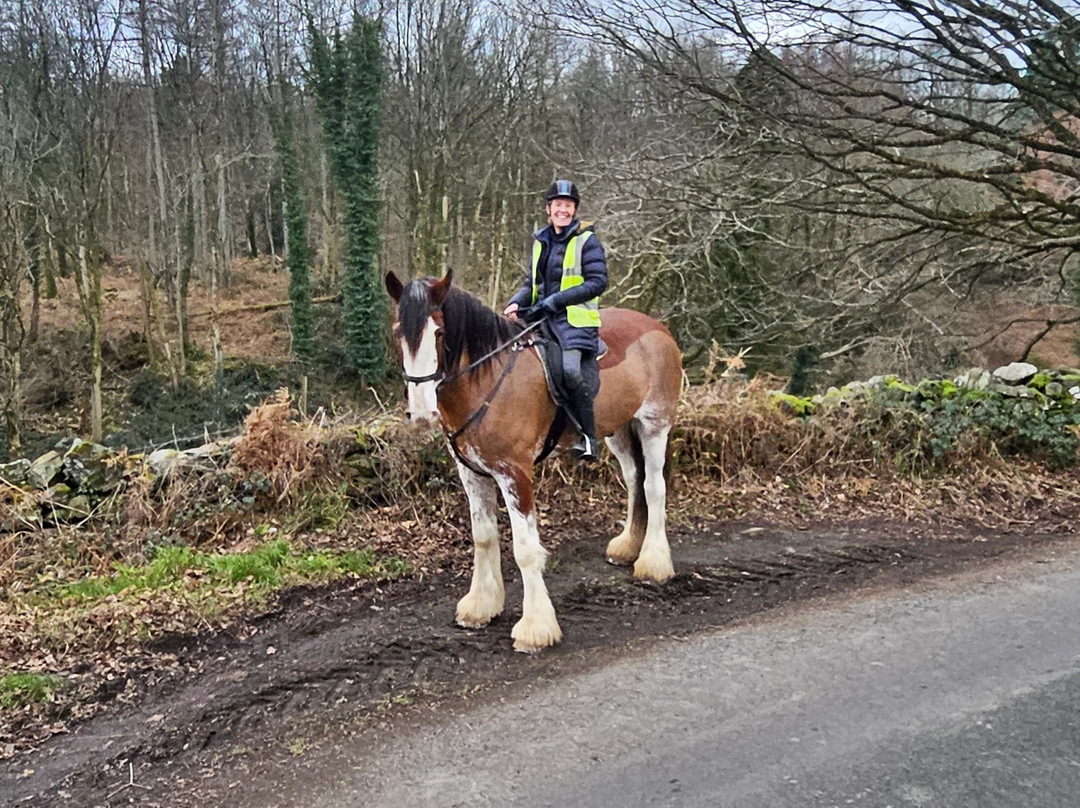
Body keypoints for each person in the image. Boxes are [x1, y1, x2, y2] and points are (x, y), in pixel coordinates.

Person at [505, 179, 608, 461]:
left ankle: (588, 438)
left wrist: (556, 301)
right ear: (549, 209)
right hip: (543, 318)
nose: (563, 210)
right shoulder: (541, 242)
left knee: (571, 371)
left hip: (576, 321)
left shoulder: (587, 241)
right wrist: (517, 301)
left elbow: (598, 282)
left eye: (568, 205)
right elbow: (532, 285)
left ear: (574, 210)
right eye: (558, 205)